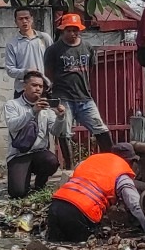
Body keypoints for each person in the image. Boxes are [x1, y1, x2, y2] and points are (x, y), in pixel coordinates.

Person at [46, 143, 145, 243]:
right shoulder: (121, 174)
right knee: (80, 249)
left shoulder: (90, 161)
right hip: (80, 212)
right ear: (129, 161)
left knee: (54, 247)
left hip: (56, 205)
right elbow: (135, 204)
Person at [45, 12, 111, 164]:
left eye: (75, 30)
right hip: (63, 96)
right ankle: (69, 166)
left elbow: (91, 69)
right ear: (63, 30)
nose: (72, 33)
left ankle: (109, 160)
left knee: (100, 127)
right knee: (64, 132)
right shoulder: (54, 50)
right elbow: (48, 73)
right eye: (69, 30)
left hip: (84, 97)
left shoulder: (87, 47)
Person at [3, 71, 61, 198]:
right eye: (34, 85)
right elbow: (13, 125)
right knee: (17, 193)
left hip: (39, 152)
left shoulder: (46, 107)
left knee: (51, 161)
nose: (38, 89)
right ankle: (24, 179)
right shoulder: (12, 104)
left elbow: (55, 132)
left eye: (41, 86)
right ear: (24, 86)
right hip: (18, 155)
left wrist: (60, 118)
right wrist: (33, 111)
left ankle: (40, 184)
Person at [3, 7, 50, 98]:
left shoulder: (44, 38)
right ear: (16, 22)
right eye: (20, 19)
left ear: (32, 19)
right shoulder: (12, 44)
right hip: (22, 89)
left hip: (43, 88)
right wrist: (25, 72)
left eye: (27, 18)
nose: (24, 21)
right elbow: (10, 70)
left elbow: (53, 60)